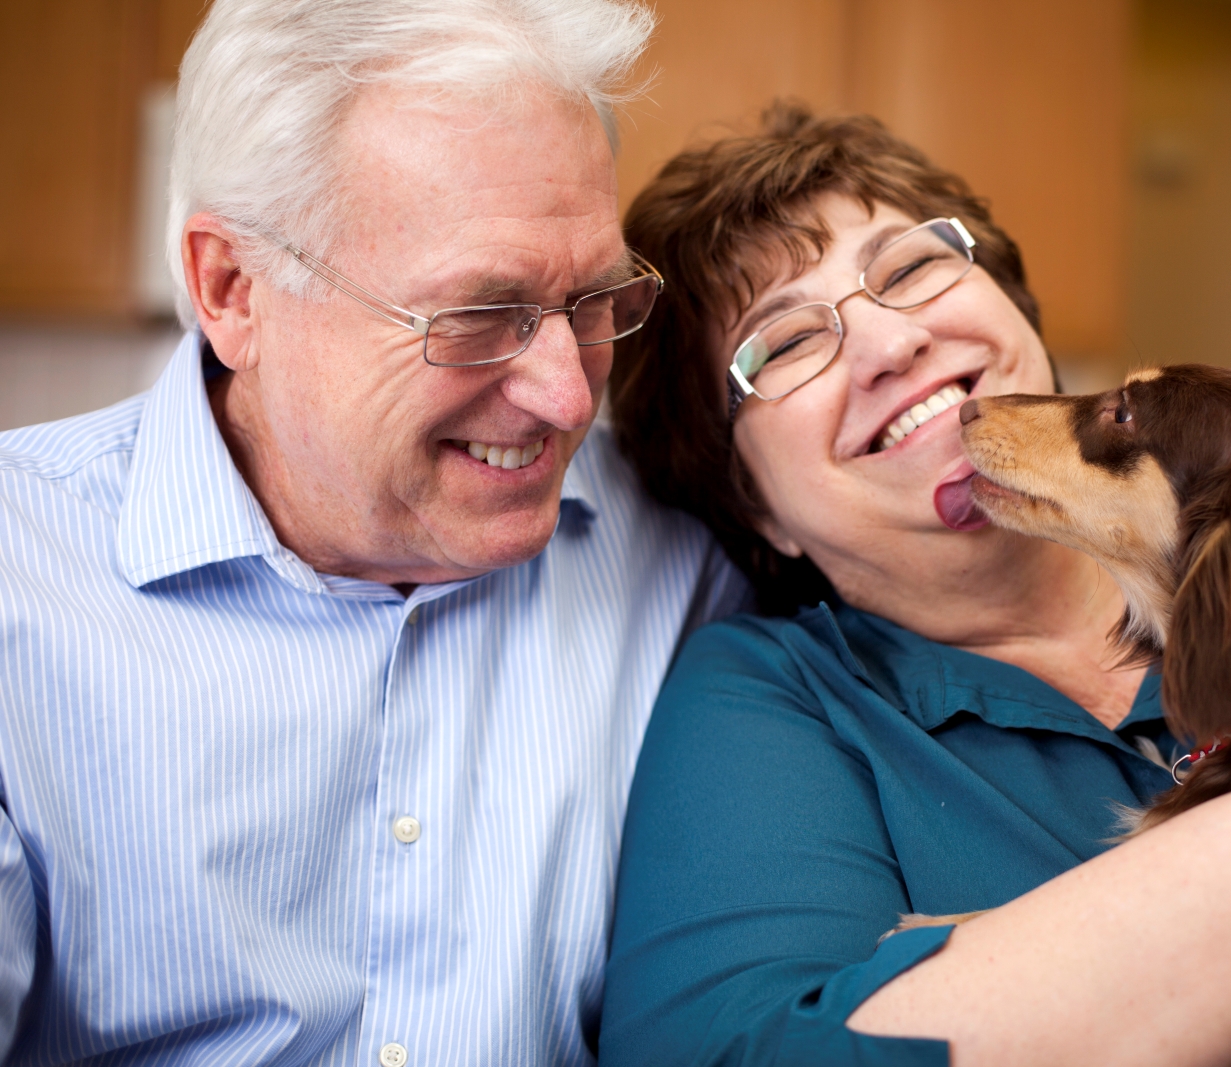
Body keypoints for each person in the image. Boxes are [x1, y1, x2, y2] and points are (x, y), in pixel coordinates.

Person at [599, 104, 1231, 1067]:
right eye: (784, 342)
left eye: (907, 267)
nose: (888, 341)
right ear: (746, 499)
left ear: (1015, 313)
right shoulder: (775, 703)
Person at [0, 1, 747, 1062]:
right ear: (232, 288)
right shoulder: (19, 577)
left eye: (593, 299)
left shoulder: (688, 556)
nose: (567, 397)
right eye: (478, 317)